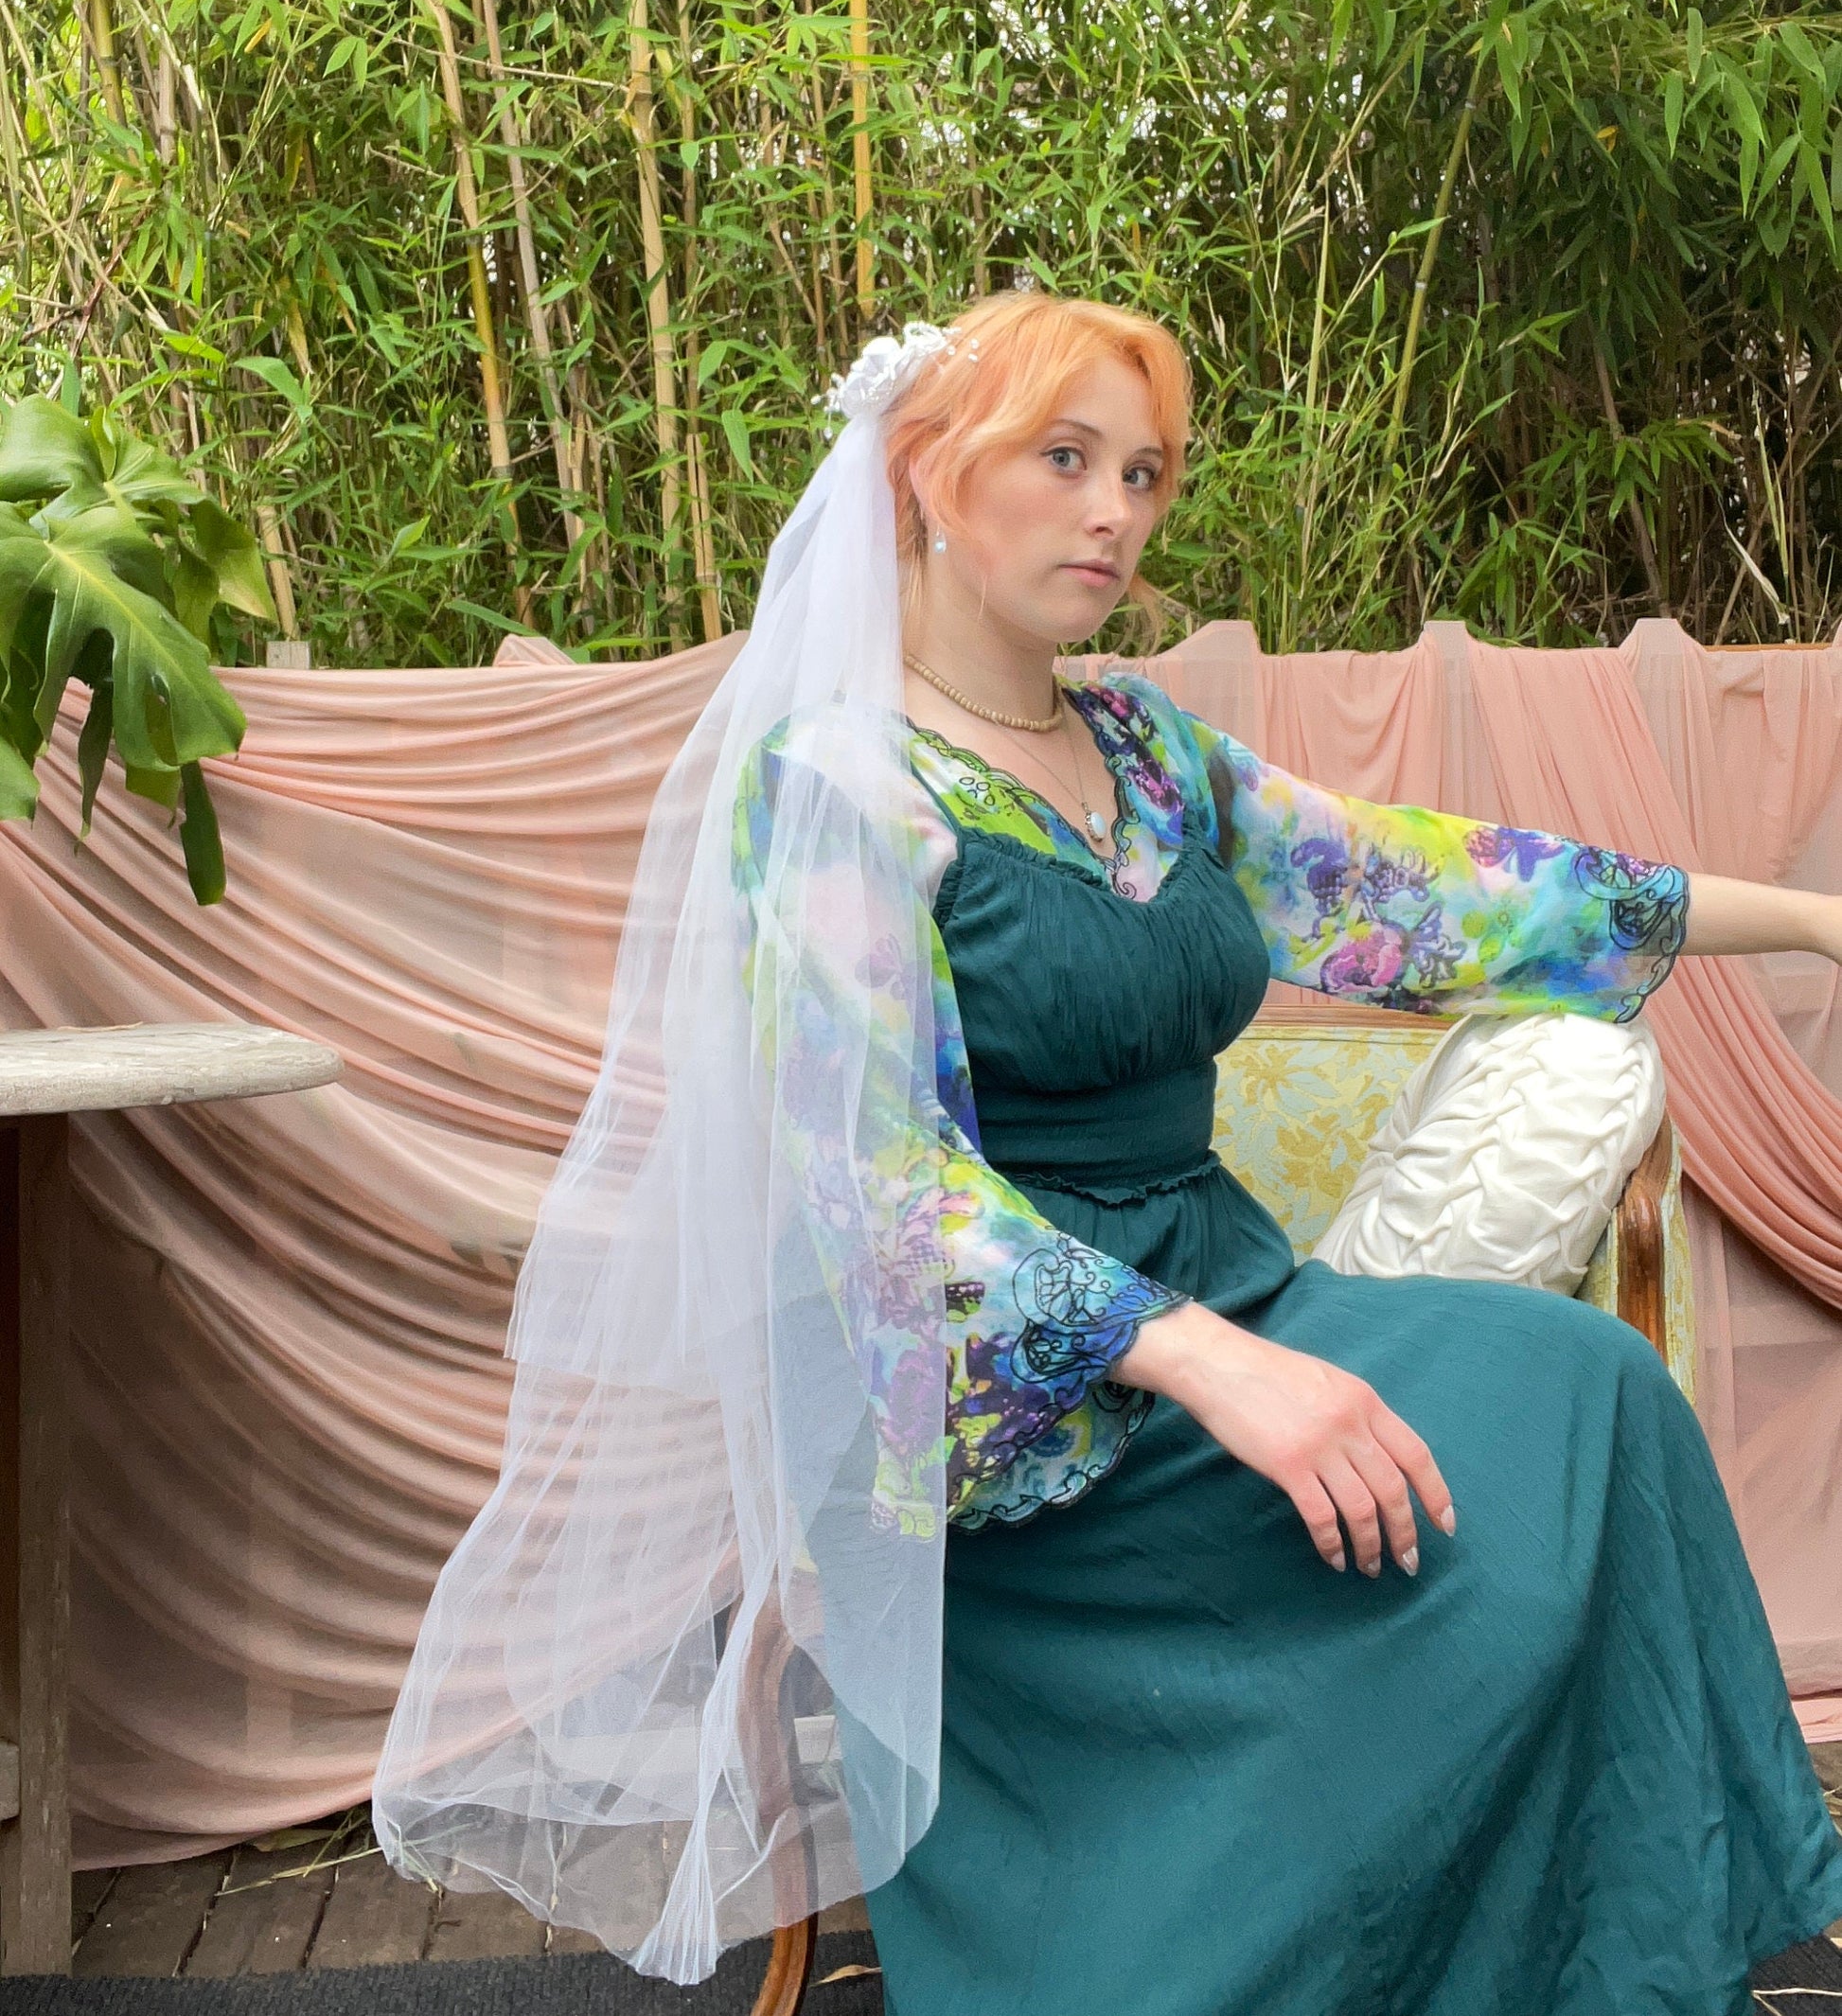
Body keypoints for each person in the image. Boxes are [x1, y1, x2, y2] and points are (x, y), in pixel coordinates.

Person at [375, 292, 1842, 2016]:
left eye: (1141, 473)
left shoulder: (1145, 748)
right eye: (1062, 459)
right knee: (1485, 1494)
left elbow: (1432, 890)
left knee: (1588, 1395)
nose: (1114, 513)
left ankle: (1619, 1966)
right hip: (1012, 1412)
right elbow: (867, 1180)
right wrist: (1208, 1365)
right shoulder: (836, 788)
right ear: (925, 475)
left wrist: (1813, 921)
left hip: (1231, 1290)